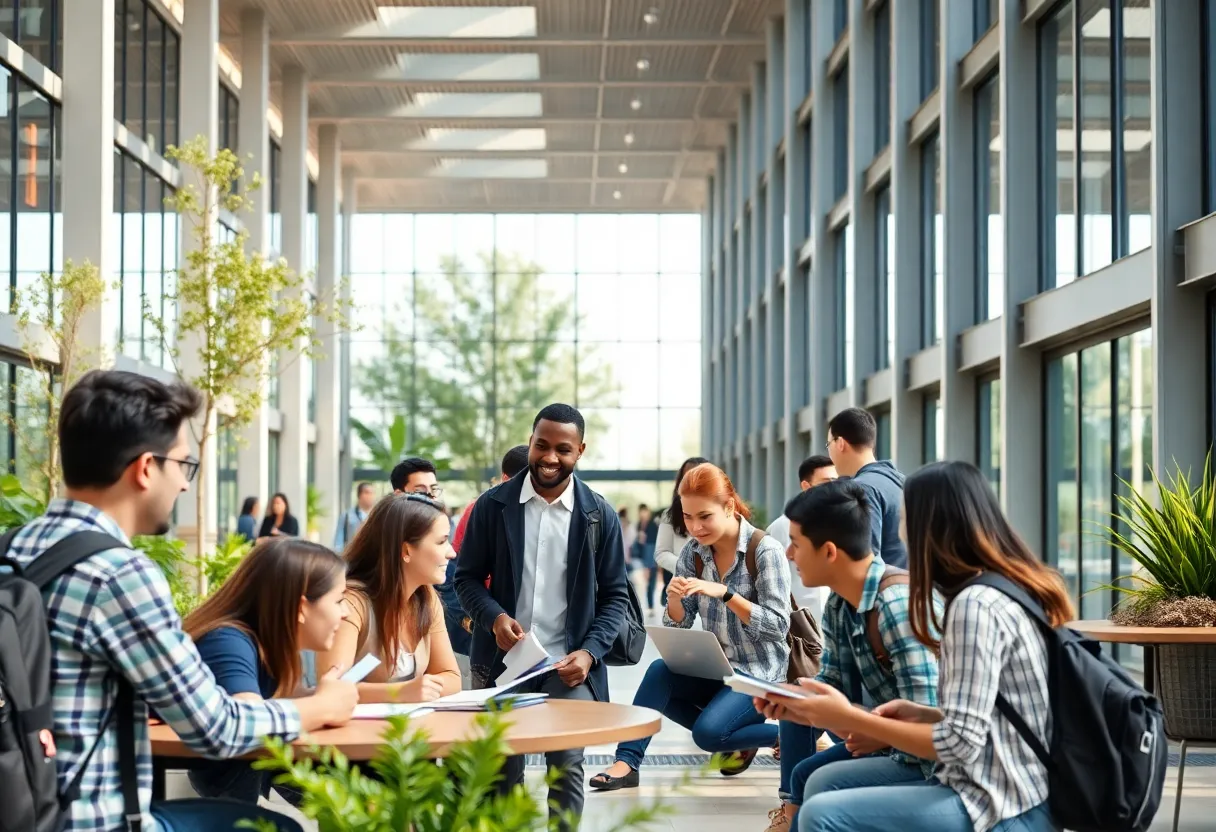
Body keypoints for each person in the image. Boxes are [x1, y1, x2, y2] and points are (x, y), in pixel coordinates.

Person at [7, 369, 357, 832]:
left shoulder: (11, 549)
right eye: (184, 466)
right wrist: (323, 705)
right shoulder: (118, 574)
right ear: (146, 468)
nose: (187, 485)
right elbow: (216, 728)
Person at [757, 461, 1064, 832]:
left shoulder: (967, 605)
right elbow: (965, 721)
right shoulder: (972, 595)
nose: (896, 530)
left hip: (997, 797)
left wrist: (860, 720)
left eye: (904, 516)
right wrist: (797, 705)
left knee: (823, 814)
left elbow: (958, 745)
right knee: (817, 781)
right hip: (973, 775)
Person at [455, 404, 630, 830]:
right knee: (501, 771)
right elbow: (467, 578)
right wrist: (494, 617)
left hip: (569, 666)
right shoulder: (492, 506)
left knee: (566, 765)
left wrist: (589, 654)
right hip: (504, 665)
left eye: (563, 449)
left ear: (580, 451)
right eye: (542, 445)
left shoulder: (598, 515)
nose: (550, 458)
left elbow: (615, 597)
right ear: (531, 440)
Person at [591, 463, 790, 791]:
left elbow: (778, 627)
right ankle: (627, 763)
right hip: (722, 670)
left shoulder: (765, 551)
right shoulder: (694, 554)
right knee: (659, 673)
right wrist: (673, 600)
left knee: (709, 734)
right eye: (688, 517)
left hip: (760, 675)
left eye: (705, 516)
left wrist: (726, 594)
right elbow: (679, 623)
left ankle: (793, 731)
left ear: (728, 507)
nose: (695, 527)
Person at [760, 480, 939, 832]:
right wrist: (792, 700)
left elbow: (931, 729)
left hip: (934, 765)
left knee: (820, 791)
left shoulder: (896, 606)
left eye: (795, 544)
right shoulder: (841, 604)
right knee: (805, 773)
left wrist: (871, 729)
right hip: (895, 743)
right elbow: (832, 682)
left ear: (829, 551)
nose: (789, 555)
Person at [184, 538, 349, 805]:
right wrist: (324, 705)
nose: (346, 612)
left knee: (357, 792)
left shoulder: (268, 641)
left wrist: (324, 696)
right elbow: (248, 720)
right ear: (301, 607)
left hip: (247, 775)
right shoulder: (227, 641)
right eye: (340, 600)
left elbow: (280, 703)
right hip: (226, 787)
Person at [316, 493, 462, 703]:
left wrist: (419, 691)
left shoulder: (426, 597)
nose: (451, 553)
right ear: (406, 550)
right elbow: (332, 688)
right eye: (441, 542)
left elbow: (452, 677)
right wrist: (400, 693)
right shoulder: (350, 603)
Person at [445, 444, 530, 685]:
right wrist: (472, 621)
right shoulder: (482, 508)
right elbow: (455, 573)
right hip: (481, 622)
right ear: (505, 478)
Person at [825, 408, 907, 568]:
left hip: (881, 591)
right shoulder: (902, 481)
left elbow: (866, 566)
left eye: (828, 445)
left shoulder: (860, 489)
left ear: (840, 443)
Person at [766, 455, 838, 622]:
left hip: (832, 622)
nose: (834, 488)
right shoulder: (782, 527)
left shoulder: (841, 523)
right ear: (807, 486)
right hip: (798, 624)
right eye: (827, 482)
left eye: (838, 482)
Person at [654, 456, 711, 579]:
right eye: (687, 479)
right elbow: (661, 553)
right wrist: (687, 568)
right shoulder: (670, 514)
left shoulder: (719, 512)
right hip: (680, 586)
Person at [333, 482, 376, 550]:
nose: (371, 496)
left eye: (373, 493)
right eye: (367, 492)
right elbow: (338, 543)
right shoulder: (347, 516)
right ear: (359, 495)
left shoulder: (377, 516)